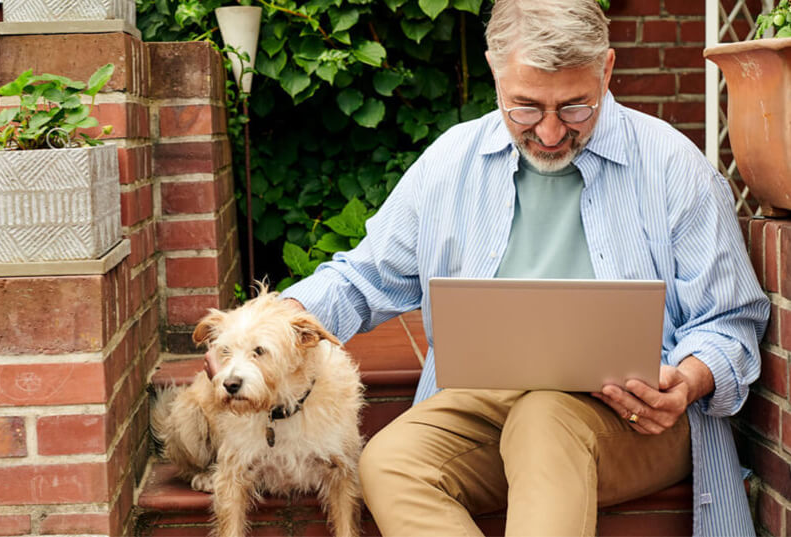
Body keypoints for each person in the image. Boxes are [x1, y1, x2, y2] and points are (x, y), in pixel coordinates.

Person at [271, 0, 770, 535]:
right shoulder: (449, 163)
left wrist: (689, 380)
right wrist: (274, 320)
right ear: (494, 69)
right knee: (389, 461)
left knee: (544, 421)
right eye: (526, 108)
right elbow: (362, 277)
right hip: (483, 404)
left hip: (634, 418)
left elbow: (730, 323)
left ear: (607, 69)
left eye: (576, 107)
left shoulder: (674, 167)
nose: (551, 133)